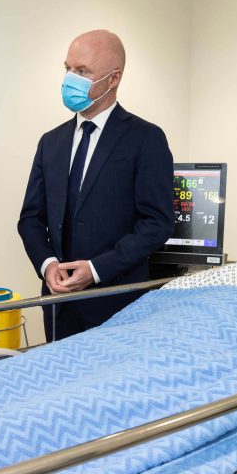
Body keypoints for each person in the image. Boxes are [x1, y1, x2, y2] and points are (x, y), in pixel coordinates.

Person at [18, 30, 174, 340]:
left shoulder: (145, 139)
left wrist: (97, 268)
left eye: (82, 71)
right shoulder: (51, 143)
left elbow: (157, 223)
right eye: (68, 68)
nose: (69, 79)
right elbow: (30, 219)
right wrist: (48, 265)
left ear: (113, 79)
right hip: (59, 303)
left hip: (117, 304)